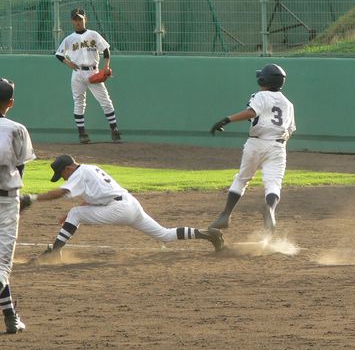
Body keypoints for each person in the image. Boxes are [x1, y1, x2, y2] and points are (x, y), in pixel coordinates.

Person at [21, 155, 223, 263]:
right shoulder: (90, 169)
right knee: (164, 235)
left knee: (76, 214)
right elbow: (99, 197)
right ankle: (208, 234)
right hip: (129, 204)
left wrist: (32, 198)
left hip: (119, 208)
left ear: (68, 168)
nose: (63, 178)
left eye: (61, 174)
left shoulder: (78, 174)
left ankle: (55, 252)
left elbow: (60, 193)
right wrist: (72, 213)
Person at [209, 64, 296, 232]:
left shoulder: (260, 95)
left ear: (263, 79)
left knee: (242, 179)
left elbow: (251, 112)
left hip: (256, 143)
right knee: (273, 183)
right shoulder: (288, 104)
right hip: (278, 145)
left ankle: (225, 215)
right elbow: (290, 129)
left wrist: (226, 119)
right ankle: (270, 208)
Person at [0, 78, 36, 334]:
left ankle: (11, 316)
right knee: (2, 264)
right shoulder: (17, 129)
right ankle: (11, 317)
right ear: (10, 103)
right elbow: (20, 167)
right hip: (5, 200)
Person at [55, 8, 121, 144]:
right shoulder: (69, 39)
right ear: (72, 21)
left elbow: (106, 49)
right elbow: (59, 54)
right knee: (79, 102)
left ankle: (114, 129)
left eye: (80, 18)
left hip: (93, 72)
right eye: (75, 19)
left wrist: (106, 65)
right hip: (77, 73)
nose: (78, 21)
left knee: (105, 101)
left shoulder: (93, 34)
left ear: (85, 19)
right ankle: (82, 134)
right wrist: (68, 63)